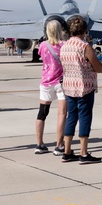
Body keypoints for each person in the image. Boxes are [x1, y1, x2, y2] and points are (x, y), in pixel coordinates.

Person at [61, 15, 102, 163]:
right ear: (84, 31)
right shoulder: (84, 47)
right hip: (84, 86)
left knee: (71, 117)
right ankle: (84, 153)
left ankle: (67, 151)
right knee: (85, 116)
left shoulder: (65, 46)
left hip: (69, 86)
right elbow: (99, 68)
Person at [35, 20, 67, 155]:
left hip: (46, 82)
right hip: (62, 82)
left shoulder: (43, 45)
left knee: (42, 113)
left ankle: (39, 144)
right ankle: (59, 145)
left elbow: (41, 56)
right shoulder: (64, 45)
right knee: (62, 114)